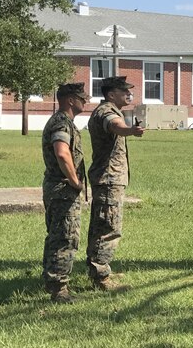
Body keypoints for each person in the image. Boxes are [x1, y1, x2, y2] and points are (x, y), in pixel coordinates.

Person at [85, 76, 145, 293]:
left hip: (110, 178)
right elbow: (115, 126)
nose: (128, 94)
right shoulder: (106, 112)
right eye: (124, 91)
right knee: (108, 227)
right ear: (111, 95)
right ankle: (101, 277)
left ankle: (97, 269)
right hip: (109, 179)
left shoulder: (109, 110)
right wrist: (130, 130)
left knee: (101, 225)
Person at [41, 83, 89, 304]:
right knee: (64, 238)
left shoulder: (64, 122)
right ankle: (59, 289)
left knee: (56, 235)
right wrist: (75, 181)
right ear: (70, 100)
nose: (85, 101)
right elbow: (62, 153)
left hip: (57, 188)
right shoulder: (61, 123)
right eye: (82, 97)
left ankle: (51, 280)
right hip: (62, 190)